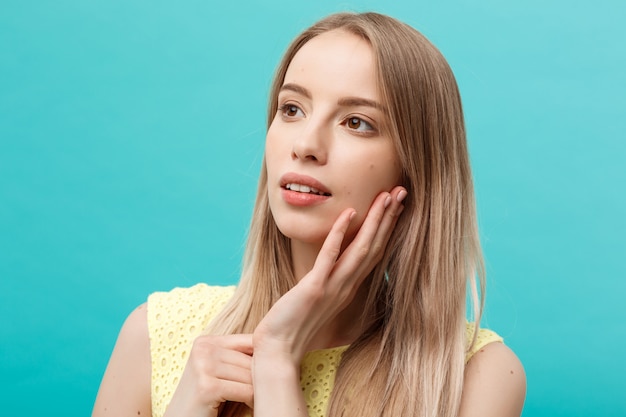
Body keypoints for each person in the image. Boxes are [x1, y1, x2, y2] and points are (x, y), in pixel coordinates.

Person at [92, 11, 526, 417]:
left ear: (416, 171)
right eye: (292, 109)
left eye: (356, 122)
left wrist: (278, 359)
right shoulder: (154, 334)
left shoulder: (476, 375)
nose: (305, 145)